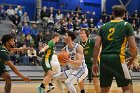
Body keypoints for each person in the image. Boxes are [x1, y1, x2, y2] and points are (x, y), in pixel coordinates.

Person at [92, 5, 138, 93]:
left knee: (104, 89)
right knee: (127, 88)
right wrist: (132, 59)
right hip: (118, 58)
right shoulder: (127, 25)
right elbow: (133, 47)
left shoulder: (104, 26)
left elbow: (97, 46)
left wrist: (94, 63)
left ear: (112, 14)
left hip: (104, 59)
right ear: (124, 14)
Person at [79, 28, 100, 93]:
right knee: (80, 77)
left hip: (93, 63)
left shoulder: (91, 41)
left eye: (82, 33)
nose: (81, 34)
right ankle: (82, 91)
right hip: (84, 64)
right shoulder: (79, 43)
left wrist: (96, 57)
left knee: (95, 80)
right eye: (80, 33)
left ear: (86, 34)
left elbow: (98, 49)